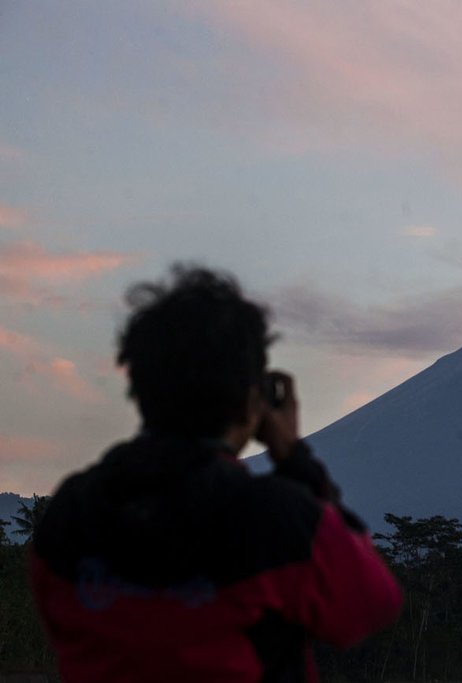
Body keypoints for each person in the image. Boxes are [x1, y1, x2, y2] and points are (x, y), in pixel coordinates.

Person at [30, 265, 402, 682]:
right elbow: (370, 604)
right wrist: (295, 460)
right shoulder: (277, 520)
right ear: (251, 399)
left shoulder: (71, 514)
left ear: (139, 388)